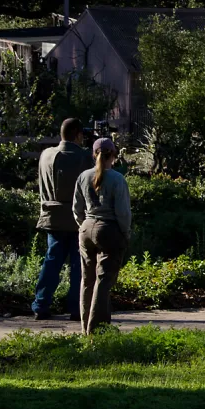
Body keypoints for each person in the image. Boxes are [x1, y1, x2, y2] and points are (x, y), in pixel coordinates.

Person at [31, 118, 91, 320]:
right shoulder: (83, 157)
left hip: (52, 215)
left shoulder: (46, 155)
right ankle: (76, 308)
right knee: (78, 264)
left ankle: (41, 304)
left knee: (52, 260)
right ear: (77, 134)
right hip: (76, 218)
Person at [71, 136, 131, 334]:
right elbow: (122, 212)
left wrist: (84, 226)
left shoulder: (83, 176)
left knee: (87, 280)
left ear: (93, 154)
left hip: (86, 229)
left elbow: (76, 208)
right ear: (113, 155)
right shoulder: (117, 179)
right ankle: (97, 331)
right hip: (108, 229)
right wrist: (125, 233)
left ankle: (84, 327)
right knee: (104, 281)